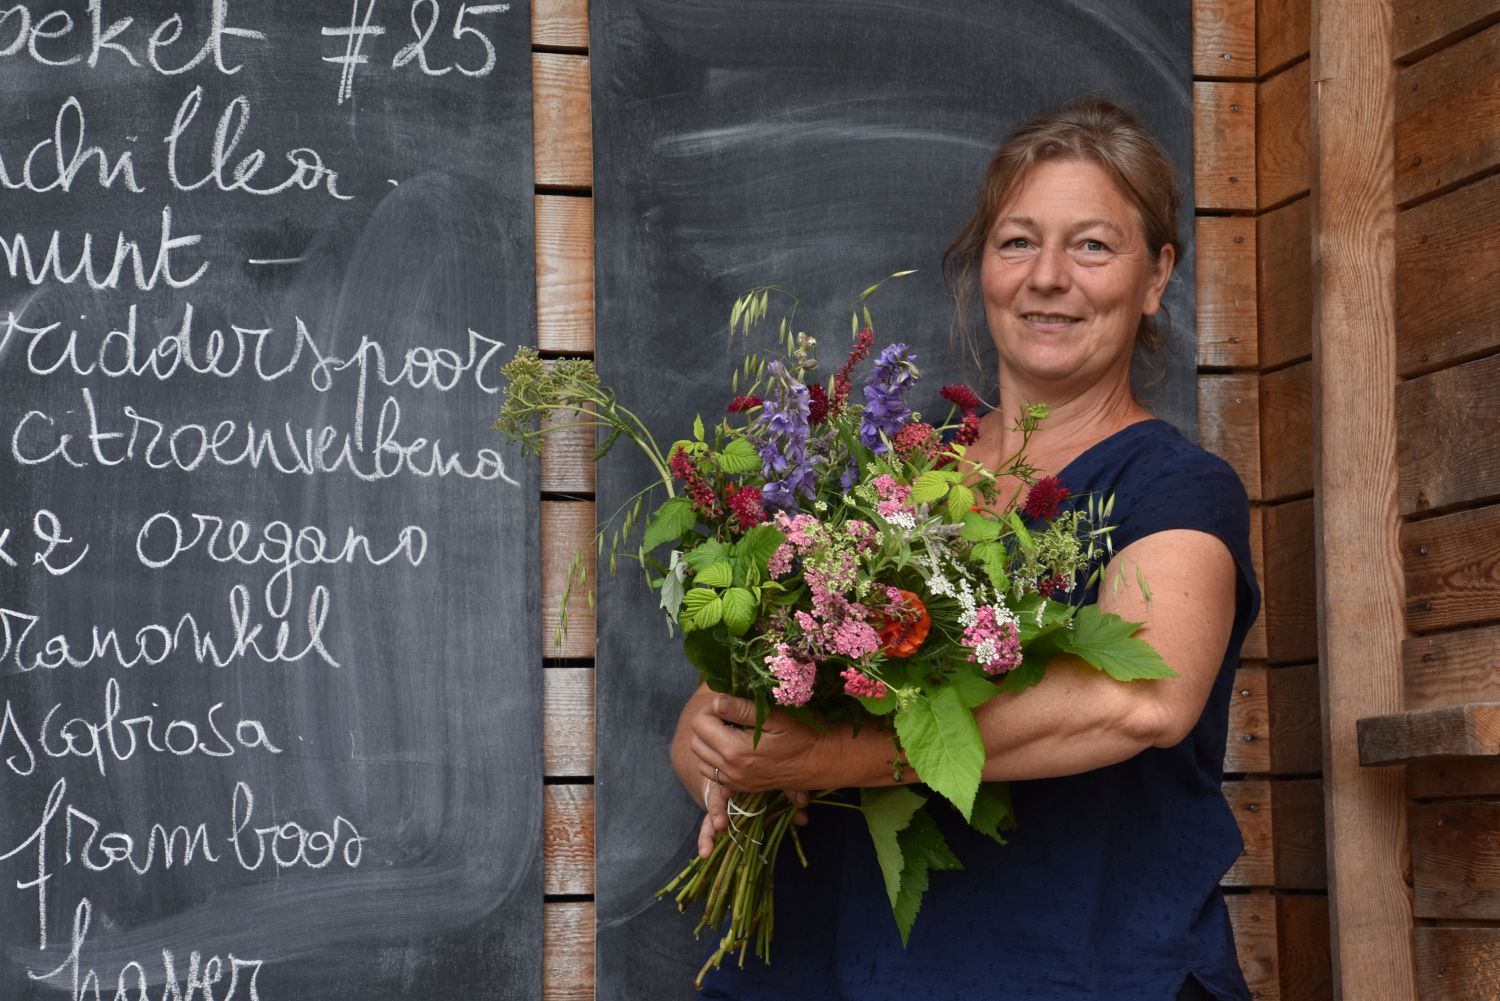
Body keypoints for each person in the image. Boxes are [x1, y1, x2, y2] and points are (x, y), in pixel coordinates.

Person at [671, 96, 1259, 1001]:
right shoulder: (887, 474)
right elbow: (737, 689)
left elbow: (1139, 699)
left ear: (1155, 276)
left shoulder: (1173, 487)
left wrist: (833, 759)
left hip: (1068, 974)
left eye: (1093, 245)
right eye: (1018, 241)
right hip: (825, 968)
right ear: (982, 266)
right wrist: (719, 749)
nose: (1048, 277)